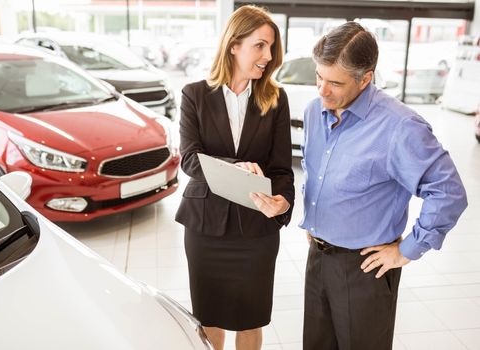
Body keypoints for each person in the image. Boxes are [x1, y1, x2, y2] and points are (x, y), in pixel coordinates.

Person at [300, 22, 468, 350]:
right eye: (318, 77)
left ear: (366, 78)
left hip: (364, 268)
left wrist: (407, 250)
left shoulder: (400, 127)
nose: (322, 90)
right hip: (317, 258)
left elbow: (448, 192)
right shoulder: (313, 111)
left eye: (335, 82)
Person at [175, 5, 295, 350]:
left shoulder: (275, 98)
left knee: (251, 318)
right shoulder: (194, 94)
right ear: (234, 45)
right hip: (205, 228)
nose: (268, 56)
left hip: (256, 230)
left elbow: (281, 168)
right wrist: (235, 167)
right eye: (260, 45)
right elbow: (189, 159)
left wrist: (283, 201)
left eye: (271, 47)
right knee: (209, 319)